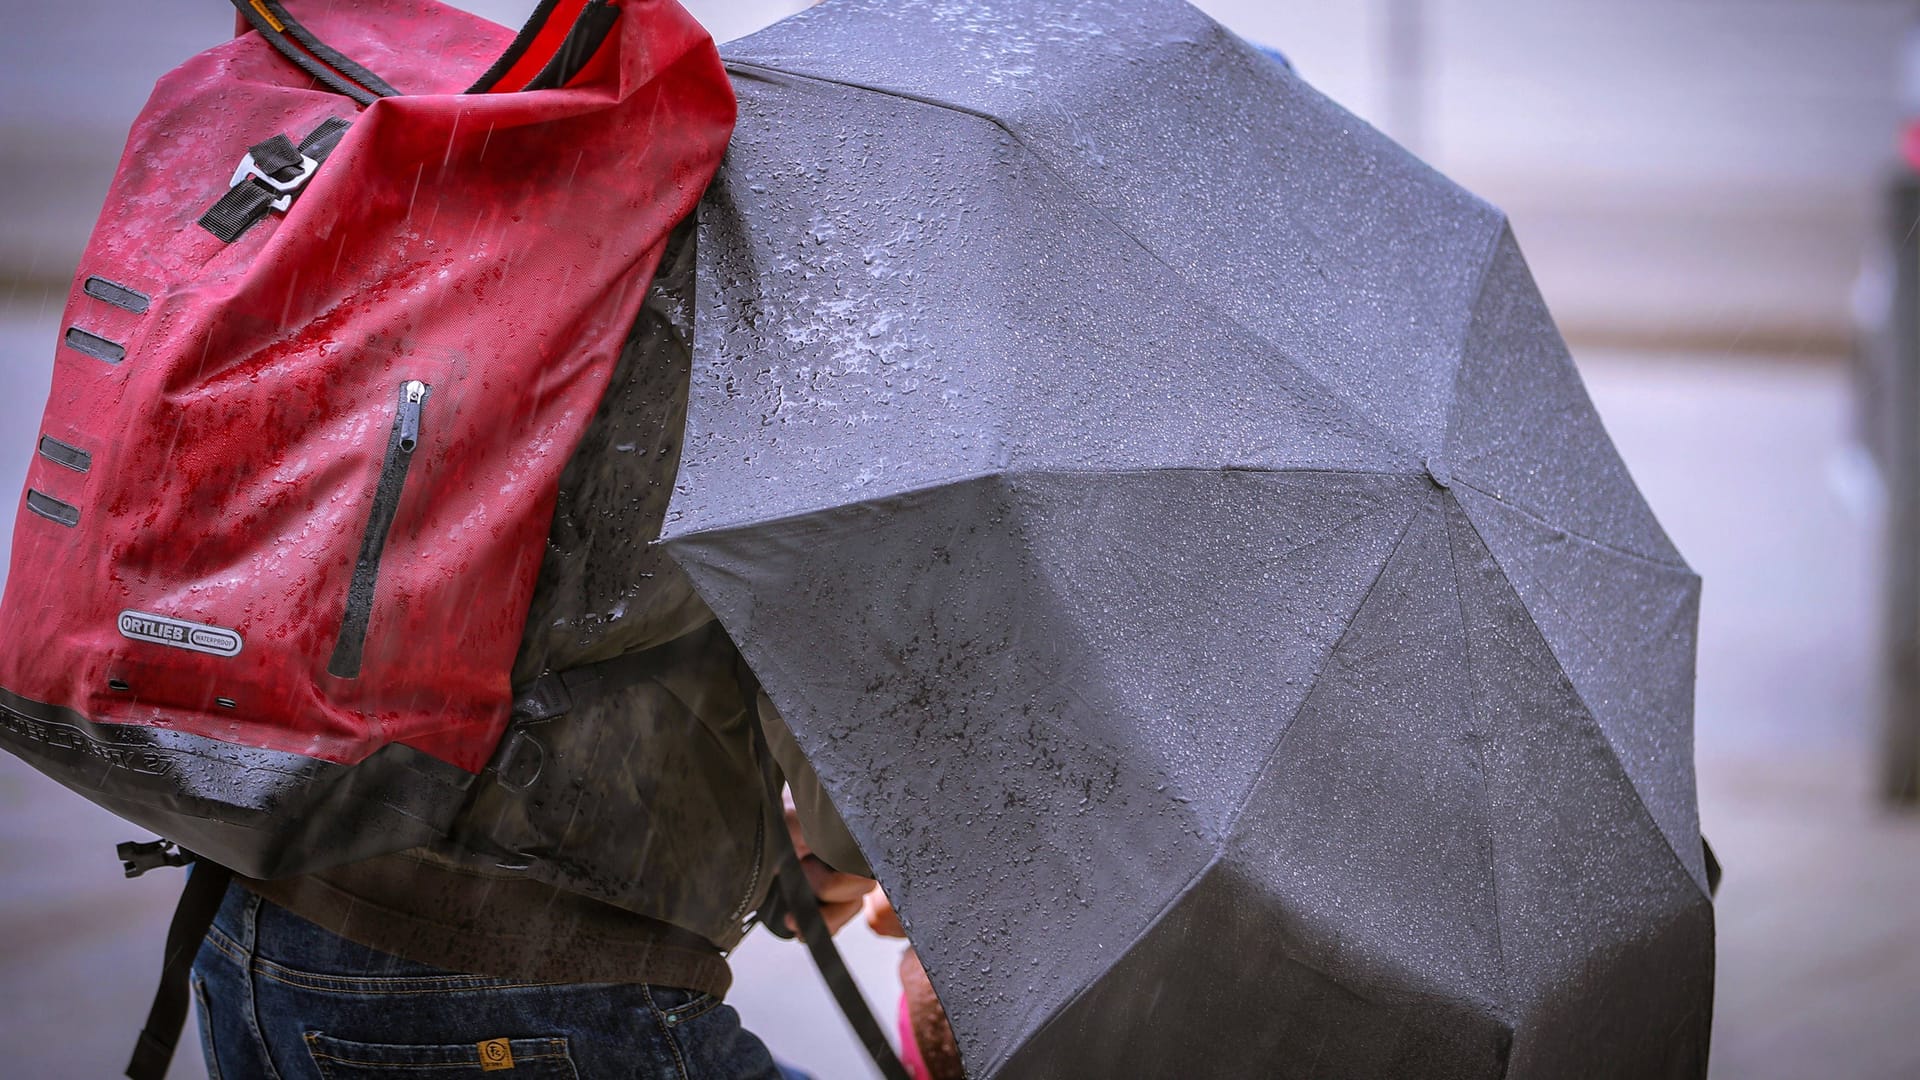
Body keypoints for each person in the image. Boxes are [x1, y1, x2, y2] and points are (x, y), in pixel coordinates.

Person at [190, 219, 882, 1080]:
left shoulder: (481, 210)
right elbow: (858, 789)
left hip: (252, 925)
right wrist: (839, 846)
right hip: (528, 986)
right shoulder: (782, 274)